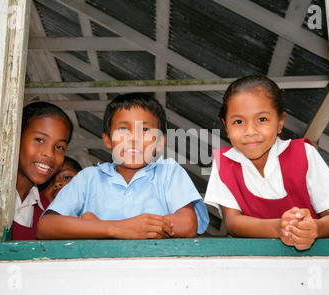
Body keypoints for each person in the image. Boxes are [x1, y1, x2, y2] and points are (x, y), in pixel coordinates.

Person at [37, 93, 209, 240]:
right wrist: (117, 228)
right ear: (107, 140)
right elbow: (46, 226)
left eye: (145, 130)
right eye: (123, 129)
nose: (133, 138)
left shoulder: (168, 172)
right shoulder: (88, 178)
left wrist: (95, 227)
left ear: (160, 142)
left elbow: (187, 223)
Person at [205, 75, 329, 250]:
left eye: (262, 119)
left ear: (280, 122)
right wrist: (279, 227)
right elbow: (233, 222)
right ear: (226, 126)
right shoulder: (224, 164)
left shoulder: (303, 154)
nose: (250, 131)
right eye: (238, 122)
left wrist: (313, 229)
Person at [12, 102, 73, 241]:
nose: (49, 153)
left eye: (59, 146)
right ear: (16, 138)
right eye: (39, 140)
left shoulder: (47, 212)